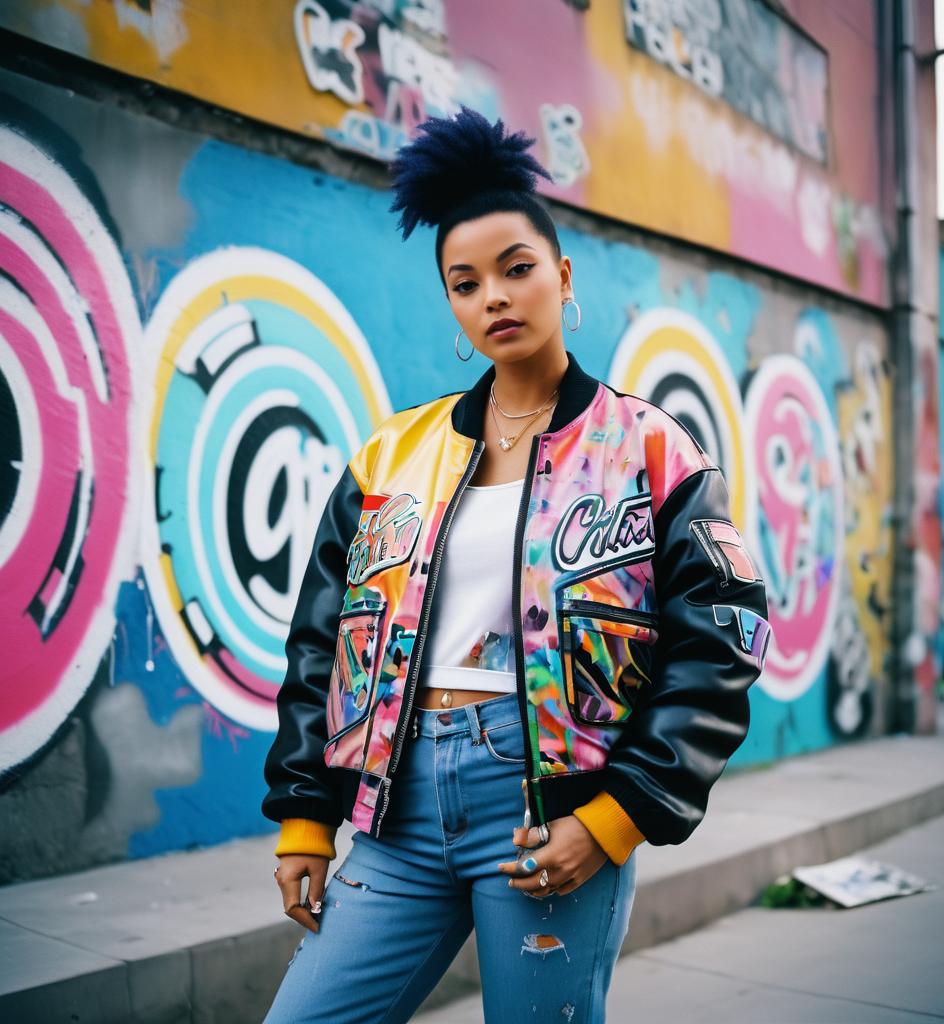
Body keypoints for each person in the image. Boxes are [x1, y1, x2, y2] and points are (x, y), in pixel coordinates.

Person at [261, 106, 771, 1024]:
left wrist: (616, 818)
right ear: (452, 304)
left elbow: (723, 642)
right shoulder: (393, 456)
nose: (494, 296)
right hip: (398, 807)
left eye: (516, 268)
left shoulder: (649, 449)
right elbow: (322, 643)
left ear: (562, 276)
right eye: (466, 282)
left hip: (548, 806)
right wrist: (307, 814)